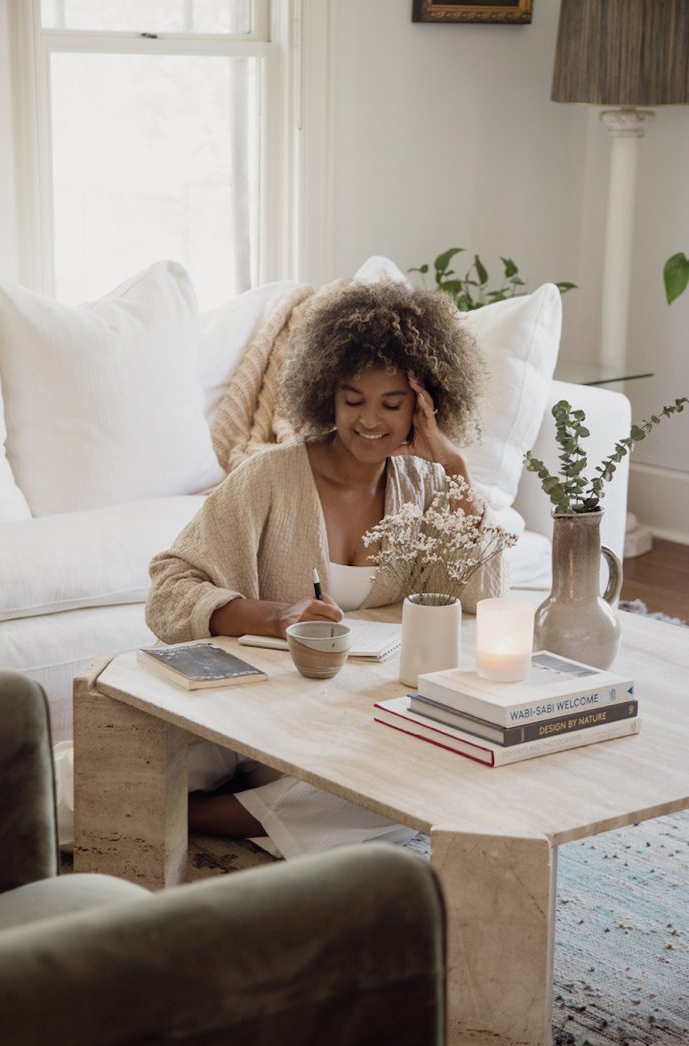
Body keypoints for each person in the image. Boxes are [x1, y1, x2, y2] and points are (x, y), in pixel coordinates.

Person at [145, 277, 508, 859]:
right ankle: (227, 811)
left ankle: (180, 816)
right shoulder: (269, 477)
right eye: (353, 399)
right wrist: (276, 616)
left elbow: (476, 601)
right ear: (326, 397)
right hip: (251, 709)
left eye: (392, 403)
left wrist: (457, 471)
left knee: (419, 781)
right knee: (108, 765)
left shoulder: (429, 485)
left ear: (424, 406)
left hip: (344, 728)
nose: (370, 420)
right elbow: (169, 589)